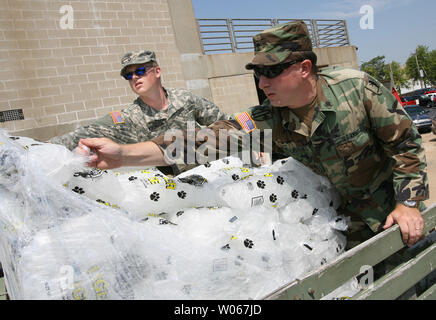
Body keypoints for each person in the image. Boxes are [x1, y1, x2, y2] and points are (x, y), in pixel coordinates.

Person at [75, 21, 429, 249]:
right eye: (258, 72)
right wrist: (123, 155)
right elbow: (200, 142)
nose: (262, 83)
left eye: (271, 71)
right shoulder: (266, 121)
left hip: (394, 213)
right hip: (340, 222)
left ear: (304, 68)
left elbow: (405, 145)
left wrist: (407, 204)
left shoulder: (356, 90)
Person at [50, 50, 229, 171]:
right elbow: (83, 134)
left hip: (208, 175)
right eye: (129, 75)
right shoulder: (128, 117)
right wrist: (35, 148)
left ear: (157, 71)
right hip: (172, 189)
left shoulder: (187, 100)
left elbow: (225, 123)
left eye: (140, 71)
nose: (134, 77)